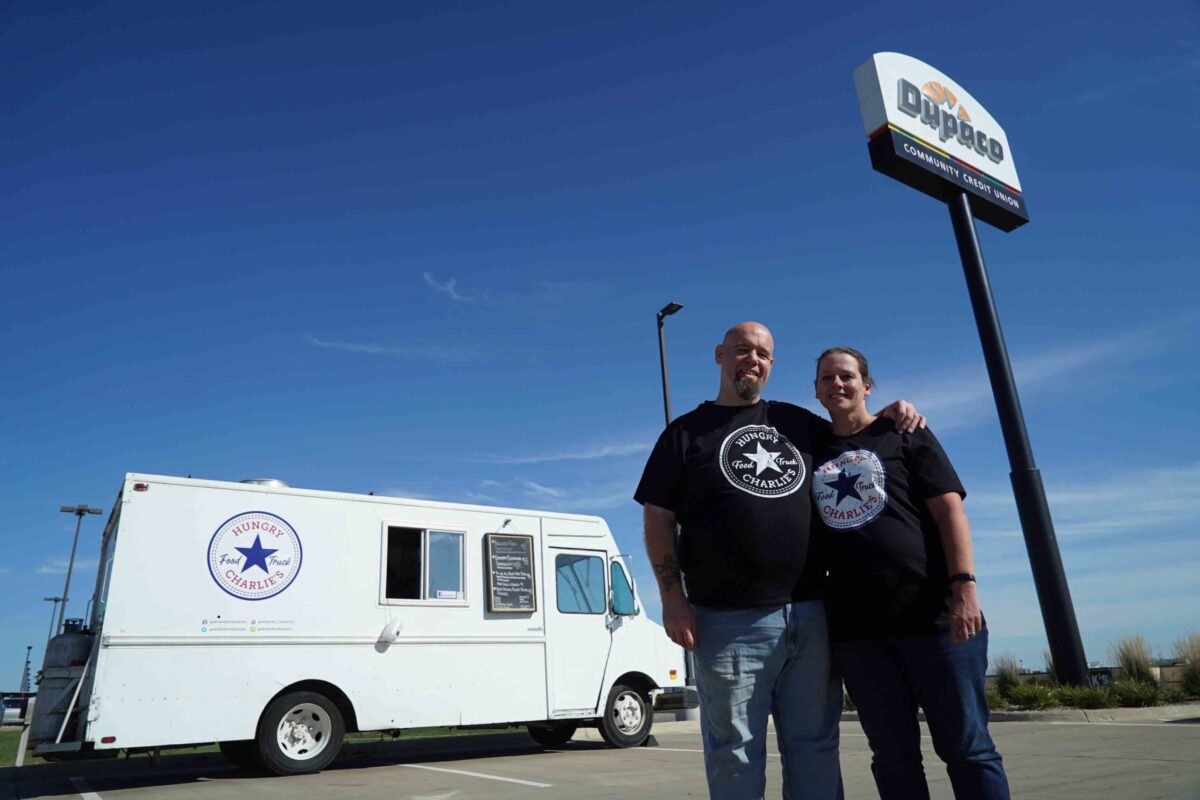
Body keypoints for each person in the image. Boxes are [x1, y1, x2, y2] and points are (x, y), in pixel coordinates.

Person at [634, 322, 924, 800]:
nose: (753, 360)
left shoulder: (798, 423)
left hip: (811, 615)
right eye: (742, 350)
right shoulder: (683, 435)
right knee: (735, 752)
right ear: (719, 355)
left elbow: (856, 432)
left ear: (771, 364)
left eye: (763, 354)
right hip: (726, 623)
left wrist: (894, 412)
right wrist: (673, 600)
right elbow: (658, 519)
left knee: (814, 747)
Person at [810, 346, 1010, 800]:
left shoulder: (905, 433)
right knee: (893, 757)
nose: (837, 384)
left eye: (846, 376)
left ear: (867, 384)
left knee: (969, 749)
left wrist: (965, 587)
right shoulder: (812, 450)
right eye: (826, 378)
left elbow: (950, 512)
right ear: (817, 390)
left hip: (936, 620)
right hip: (861, 637)